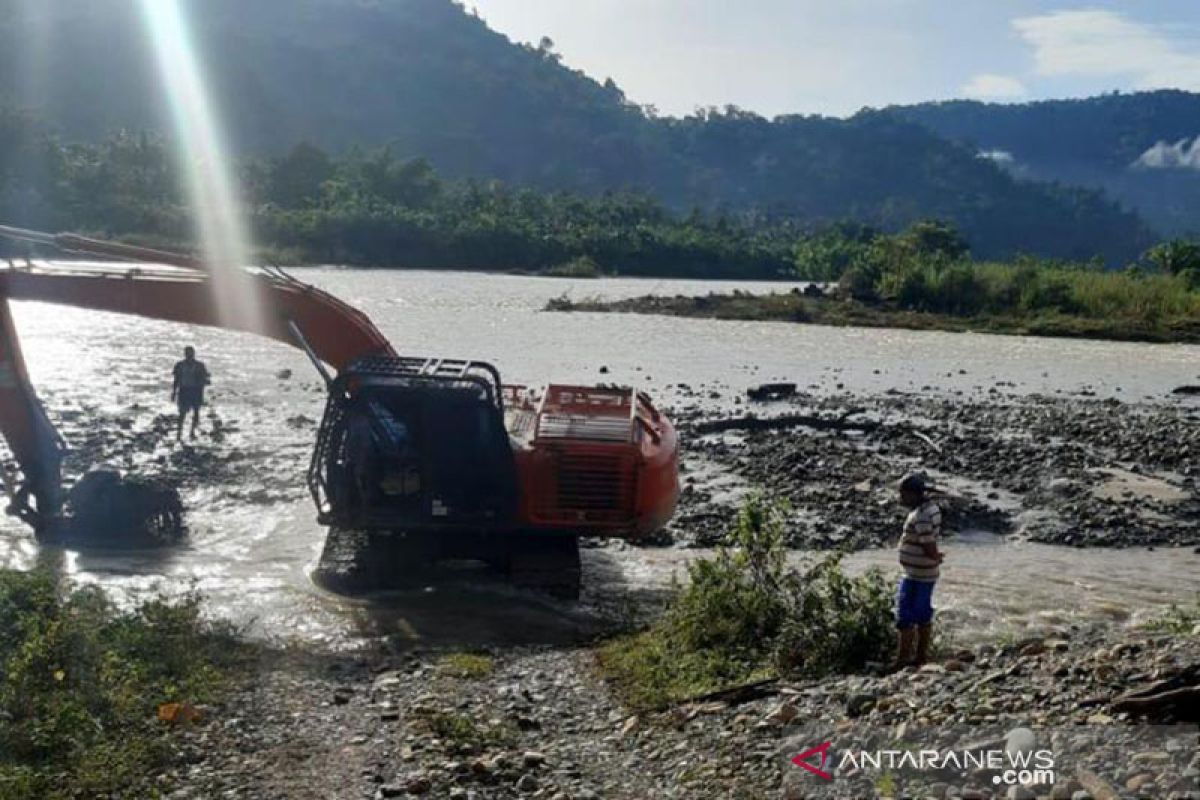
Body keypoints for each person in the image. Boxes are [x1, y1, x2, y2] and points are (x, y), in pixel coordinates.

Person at [893, 472, 943, 667]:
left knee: (905, 615)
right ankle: (919, 657)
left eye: (903, 494)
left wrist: (935, 556)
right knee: (922, 614)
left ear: (914, 494)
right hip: (923, 572)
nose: (901, 498)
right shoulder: (931, 508)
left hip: (918, 574)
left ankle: (904, 659)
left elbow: (927, 543)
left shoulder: (921, 515)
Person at [171, 346, 210, 439]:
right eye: (187, 353)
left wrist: (203, 385)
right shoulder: (179, 365)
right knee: (182, 413)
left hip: (196, 391)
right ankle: (179, 433)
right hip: (184, 390)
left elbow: (204, 379)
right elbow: (176, 379)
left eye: (190, 353)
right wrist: (173, 392)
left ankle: (192, 432)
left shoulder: (200, 365)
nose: (189, 355)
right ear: (185, 354)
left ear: (193, 354)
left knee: (196, 412)